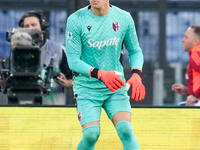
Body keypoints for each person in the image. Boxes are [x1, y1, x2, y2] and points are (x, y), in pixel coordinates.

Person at [65, 0, 145, 149]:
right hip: (86, 87)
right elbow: (73, 61)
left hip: (114, 86)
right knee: (91, 134)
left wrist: (136, 74)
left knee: (126, 130)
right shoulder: (75, 20)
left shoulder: (124, 18)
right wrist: (100, 74)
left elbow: (135, 50)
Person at [0, 10, 73, 105]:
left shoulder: (58, 50)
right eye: (27, 26)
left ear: (42, 27)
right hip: (21, 112)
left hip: (53, 113)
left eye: (33, 25)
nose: (30, 29)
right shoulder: (15, 51)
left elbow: (78, 79)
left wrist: (68, 83)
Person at [172, 25, 200, 106]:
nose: (182, 40)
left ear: (196, 41)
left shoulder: (196, 55)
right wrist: (187, 90)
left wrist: (195, 96)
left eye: (186, 37)